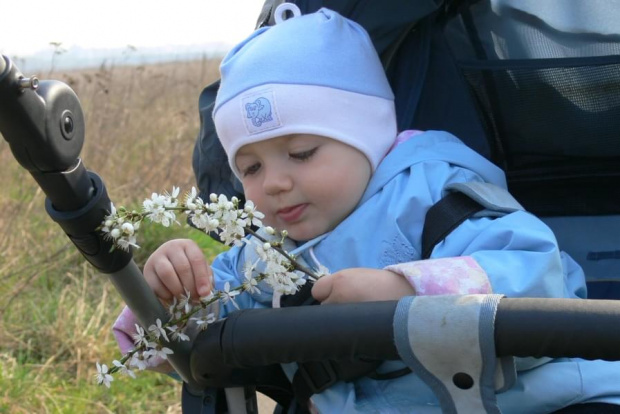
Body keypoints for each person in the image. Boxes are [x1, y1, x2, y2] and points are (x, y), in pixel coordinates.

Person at [114, 5, 620, 413]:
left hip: (552, 400)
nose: (276, 183)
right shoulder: (261, 261)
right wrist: (167, 296)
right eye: (250, 169)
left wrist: (406, 289)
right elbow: (181, 349)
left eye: (303, 153)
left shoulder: (432, 198)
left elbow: (538, 275)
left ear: (369, 137)